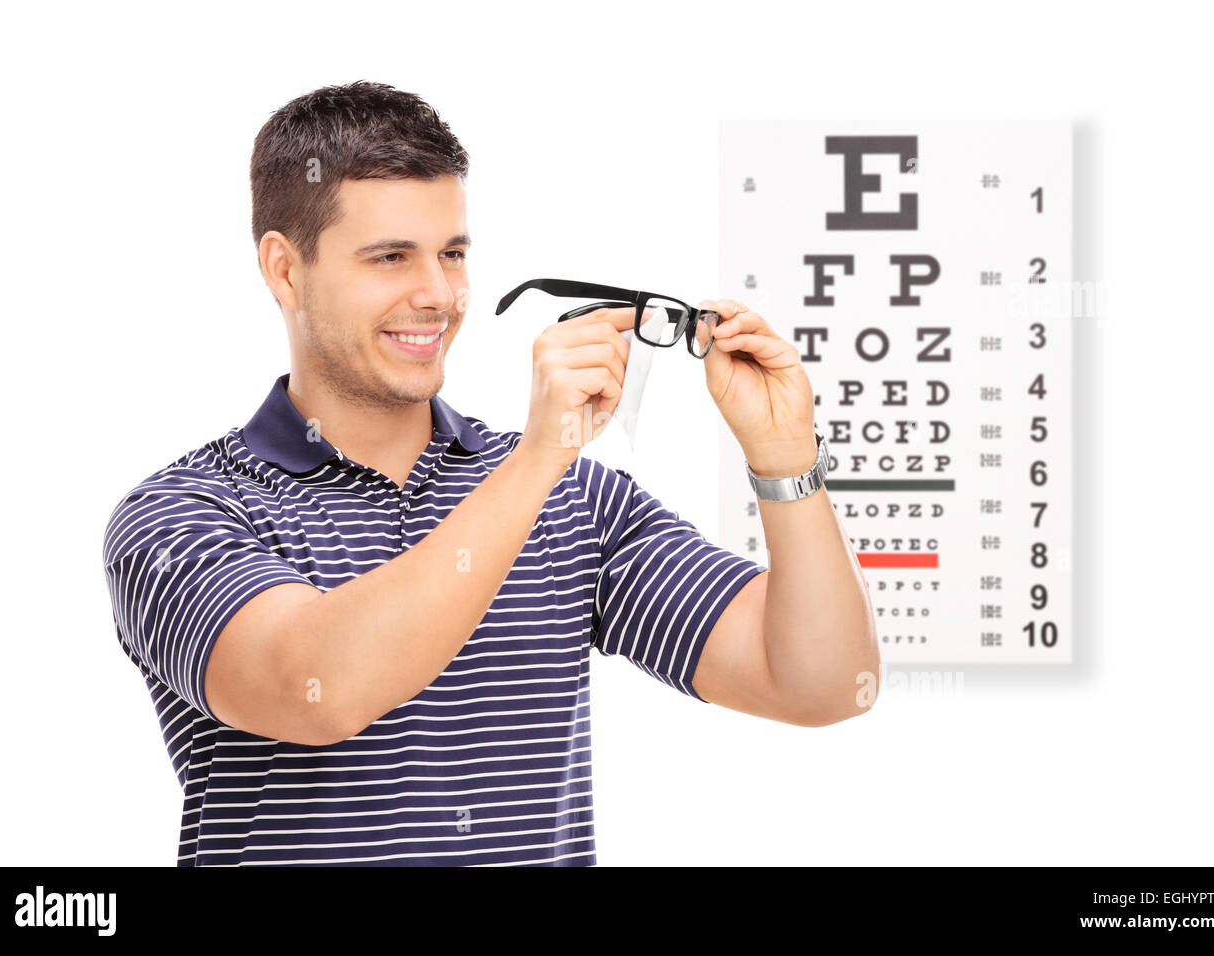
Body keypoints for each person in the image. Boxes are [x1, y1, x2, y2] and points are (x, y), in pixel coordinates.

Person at [101, 80, 879, 866]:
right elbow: (318, 686)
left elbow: (823, 684)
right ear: (285, 271)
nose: (438, 296)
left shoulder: (576, 500)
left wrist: (786, 462)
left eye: (453, 254)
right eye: (390, 257)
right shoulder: (180, 516)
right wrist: (537, 459)